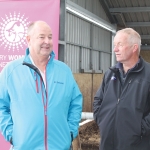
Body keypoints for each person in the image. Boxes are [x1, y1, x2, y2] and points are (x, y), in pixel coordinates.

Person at [0, 20, 83, 150]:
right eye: (42, 37)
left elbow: (75, 102)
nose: (47, 41)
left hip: (59, 146)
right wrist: (11, 135)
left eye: (50, 37)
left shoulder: (64, 71)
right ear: (29, 40)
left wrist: (70, 132)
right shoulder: (11, 71)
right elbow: (1, 105)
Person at [93, 28, 150, 150]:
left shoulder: (148, 75)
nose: (115, 49)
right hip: (107, 143)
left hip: (137, 145)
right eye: (114, 45)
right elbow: (98, 100)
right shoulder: (110, 73)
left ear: (134, 48)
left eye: (120, 45)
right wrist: (103, 121)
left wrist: (139, 129)